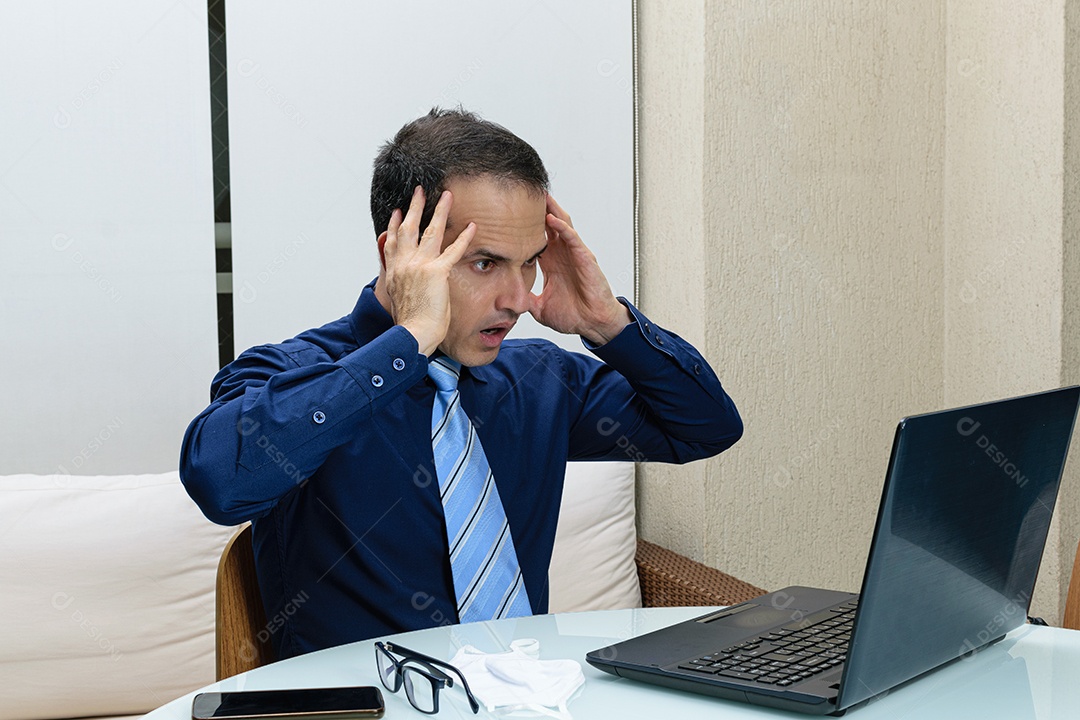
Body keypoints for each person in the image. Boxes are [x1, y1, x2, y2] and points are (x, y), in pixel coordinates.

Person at [180, 108, 742, 659]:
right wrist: (410, 339)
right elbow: (221, 482)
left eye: (529, 263)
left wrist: (609, 326)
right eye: (485, 263)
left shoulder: (541, 380)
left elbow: (705, 428)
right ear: (400, 252)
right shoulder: (291, 374)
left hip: (529, 700)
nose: (518, 299)